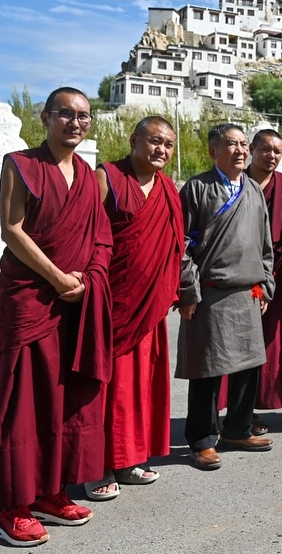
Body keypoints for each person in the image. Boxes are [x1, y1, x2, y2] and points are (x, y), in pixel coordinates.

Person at [0, 87, 111, 547]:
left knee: (62, 398)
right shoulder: (21, 165)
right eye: (65, 114)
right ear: (46, 118)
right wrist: (57, 278)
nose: (75, 123)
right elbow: (11, 230)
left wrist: (88, 281)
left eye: (83, 116)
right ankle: (10, 507)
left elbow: (101, 237)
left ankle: (49, 492)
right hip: (31, 297)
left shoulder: (89, 176)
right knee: (20, 401)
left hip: (74, 299)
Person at [86, 117, 183, 501]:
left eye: (169, 144)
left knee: (140, 386)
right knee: (105, 388)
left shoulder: (168, 189)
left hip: (149, 306)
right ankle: (96, 466)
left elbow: (176, 244)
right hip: (110, 303)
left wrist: (180, 290)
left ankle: (128, 459)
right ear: (134, 139)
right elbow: (85, 236)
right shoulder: (106, 177)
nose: (162, 149)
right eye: (155, 141)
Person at [176, 123, 276, 471]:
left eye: (244, 144)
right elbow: (181, 245)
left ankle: (237, 430)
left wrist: (266, 283)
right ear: (213, 151)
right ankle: (202, 440)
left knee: (248, 366)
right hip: (210, 293)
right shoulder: (197, 188)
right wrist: (188, 289)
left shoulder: (253, 189)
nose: (240, 150)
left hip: (248, 291)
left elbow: (265, 243)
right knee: (207, 368)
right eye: (231, 144)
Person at [223, 129, 282, 434]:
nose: (271, 156)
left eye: (277, 151)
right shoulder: (236, 182)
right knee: (232, 345)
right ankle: (231, 409)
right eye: (265, 149)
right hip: (237, 278)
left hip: (269, 280)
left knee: (265, 346)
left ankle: (250, 409)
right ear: (252, 149)